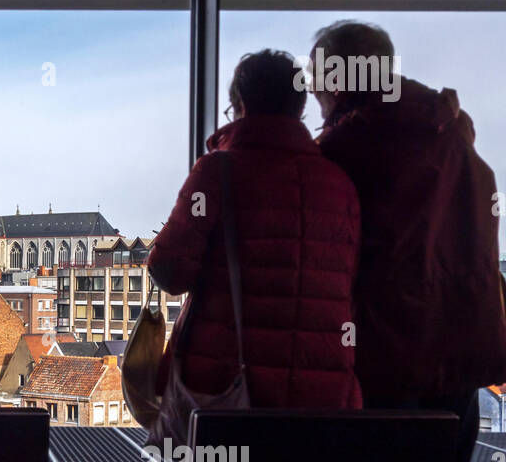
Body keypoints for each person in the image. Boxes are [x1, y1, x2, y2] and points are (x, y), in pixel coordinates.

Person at [310, 20, 506, 462]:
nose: (315, 96)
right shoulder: (451, 133)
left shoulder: (344, 149)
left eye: (317, 81)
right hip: (461, 343)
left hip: (384, 352)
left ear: (337, 80)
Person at [147, 49, 363, 430]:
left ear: (241, 104)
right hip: (324, 395)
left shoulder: (218, 171)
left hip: (227, 387)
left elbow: (169, 271)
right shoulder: (339, 183)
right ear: (299, 107)